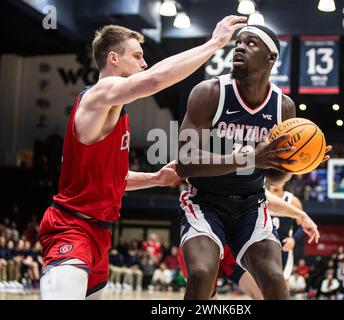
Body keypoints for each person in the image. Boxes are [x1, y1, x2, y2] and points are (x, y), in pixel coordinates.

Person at [38, 16, 248, 300]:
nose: (144, 63)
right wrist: (214, 43)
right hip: (71, 227)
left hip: (98, 233)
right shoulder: (100, 94)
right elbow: (157, 78)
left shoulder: (114, 109)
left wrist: (156, 178)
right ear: (113, 58)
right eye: (137, 56)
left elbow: (113, 180)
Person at [176, 24, 330, 300]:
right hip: (205, 202)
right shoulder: (209, 92)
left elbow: (274, 178)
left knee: (274, 279)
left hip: (251, 205)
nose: (239, 46)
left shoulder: (283, 107)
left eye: (250, 43)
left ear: (270, 58)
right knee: (201, 274)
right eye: (238, 42)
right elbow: (184, 163)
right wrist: (249, 158)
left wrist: (298, 163)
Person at [177, 187, 319, 300]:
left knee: (268, 288)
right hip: (205, 241)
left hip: (239, 246)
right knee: (205, 292)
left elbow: (265, 197)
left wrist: (299, 222)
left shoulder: (288, 198)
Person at [267, 181, 305, 281]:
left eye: (279, 177)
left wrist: (293, 239)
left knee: (283, 282)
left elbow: (303, 226)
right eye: (274, 177)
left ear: (285, 179)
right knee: (261, 283)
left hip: (284, 247)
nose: (277, 181)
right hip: (264, 245)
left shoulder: (292, 200)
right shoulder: (261, 197)